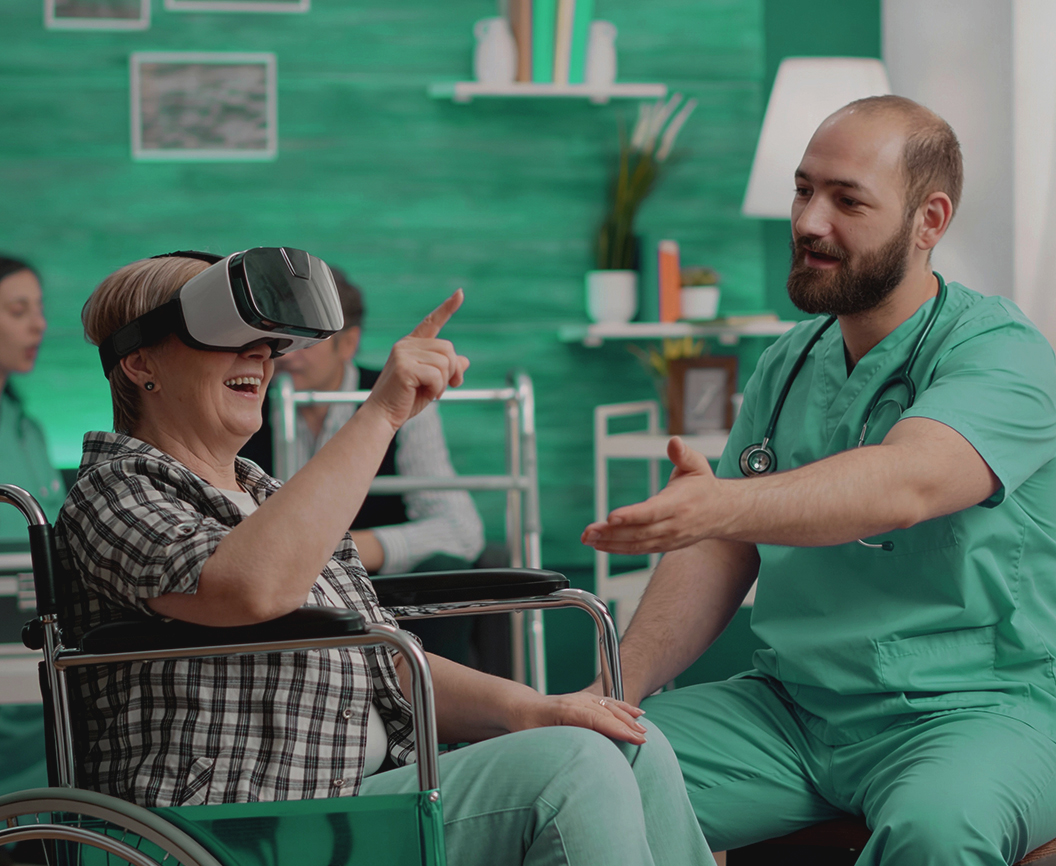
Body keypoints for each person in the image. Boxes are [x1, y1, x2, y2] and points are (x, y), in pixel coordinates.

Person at [58, 250, 715, 866]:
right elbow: (247, 591)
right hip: (227, 824)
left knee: (631, 743)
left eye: (265, 342)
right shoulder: (113, 489)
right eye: (225, 336)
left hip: (358, 794)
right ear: (142, 364)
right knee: (577, 767)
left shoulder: (266, 496)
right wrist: (382, 413)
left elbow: (386, 665)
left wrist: (536, 708)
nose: (259, 355)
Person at [583, 95, 1056, 865]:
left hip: (980, 710)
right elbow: (720, 550)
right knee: (579, 772)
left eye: (846, 199)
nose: (807, 222)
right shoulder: (790, 360)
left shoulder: (1004, 354)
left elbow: (906, 484)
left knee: (937, 834)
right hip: (792, 711)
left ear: (929, 222)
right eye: (804, 190)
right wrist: (612, 695)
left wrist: (720, 504)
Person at [241, 267, 485, 577]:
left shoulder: (403, 395)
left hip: (377, 587)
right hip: (273, 588)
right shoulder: (244, 400)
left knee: (448, 572)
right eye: (277, 338)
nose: (287, 355)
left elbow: (460, 530)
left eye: (305, 340)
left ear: (347, 343)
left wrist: (332, 550)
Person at [0, 256, 66, 800]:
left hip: (30, 644)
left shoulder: (27, 426)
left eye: (39, 310)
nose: (38, 324)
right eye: (18, 310)